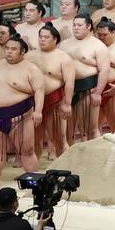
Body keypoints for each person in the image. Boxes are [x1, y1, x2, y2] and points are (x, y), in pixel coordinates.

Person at [0, 36, 43, 188]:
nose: (9, 52)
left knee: (26, 150)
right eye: (7, 48)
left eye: (13, 49)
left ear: (22, 52)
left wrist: (38, 111)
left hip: (20, 115)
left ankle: (36, 183)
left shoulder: (31, 69)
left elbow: (39, 91)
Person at [28, 24, 74, 159]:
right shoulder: (29, 56)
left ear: (55, 39)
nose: (42, 39)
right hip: (34, 102)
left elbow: (69, 82)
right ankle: (34, 172)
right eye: (40, 37)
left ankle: (65, 170)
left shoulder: (63, 58)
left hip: (56, 100)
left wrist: (67, 103)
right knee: (34, 141)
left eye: (46, 37)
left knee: (60, 138)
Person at [60, 15, 109, 143]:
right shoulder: (64, 45)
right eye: (74, 25)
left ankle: (95, 159)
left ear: (88, 27)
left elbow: (104, 70)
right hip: (67, 89)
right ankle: (71, 159)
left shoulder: (98, 45)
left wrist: (98, 93)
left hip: (89, 88)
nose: (76, 28)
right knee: (66, 131)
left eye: (80, 25)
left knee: (90, 129)